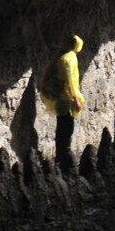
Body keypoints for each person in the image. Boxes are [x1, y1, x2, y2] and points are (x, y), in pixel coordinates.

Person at [38, 34, 85, 174]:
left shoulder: (60, 55)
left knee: (61, 127)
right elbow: (70, 81)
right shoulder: (69, 58)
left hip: (59, 98)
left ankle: (61, 155)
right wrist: (76, 99)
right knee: (67, 128)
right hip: (66, 98)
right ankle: (64, 157)